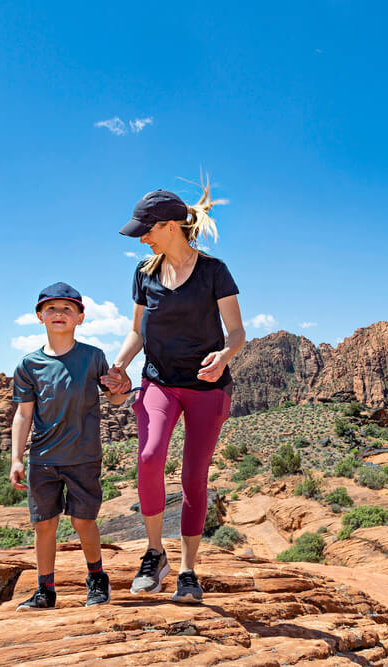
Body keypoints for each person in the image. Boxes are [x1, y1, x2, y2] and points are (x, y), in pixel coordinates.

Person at [103, 180, 244, 603]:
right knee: (148, 457)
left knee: (193, 476)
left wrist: (224, 355)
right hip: (159, 381)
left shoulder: (214, 271)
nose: (142, 239)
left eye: (146, 231)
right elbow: (136, 332)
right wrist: (119, 365)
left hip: (206, 387)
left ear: (169, 226)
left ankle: (187, 570)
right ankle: (154, 553)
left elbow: (236, 331)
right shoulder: (144, 274)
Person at [8, 282, 128, 610]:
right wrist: (16, 459)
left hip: (83, 456)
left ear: (80, 318)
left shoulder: (92, 357)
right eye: (51, 309)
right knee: (44, 524)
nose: (59, 314)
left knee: (83, 521)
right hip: (43, 459)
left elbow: (116, 397)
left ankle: (97, 579)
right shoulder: (28, 365)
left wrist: (123, 386)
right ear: (39, 316)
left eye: (67, 309)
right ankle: (45, 590)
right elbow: (23, 414)